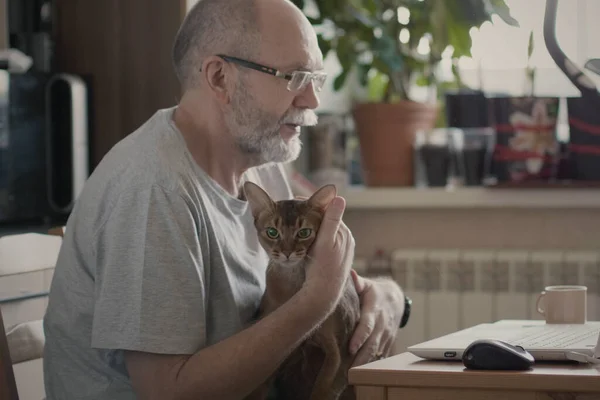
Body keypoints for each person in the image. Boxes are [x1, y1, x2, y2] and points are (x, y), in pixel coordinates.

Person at [42, 0, 407, 398]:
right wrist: (315, 302)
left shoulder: (262, 167)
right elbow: (168, 393)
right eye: (294, 77)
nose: (312, 101)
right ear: (219, 78)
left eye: (315, 80)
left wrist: (387, 296)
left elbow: (306, 279)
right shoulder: (155, 190)